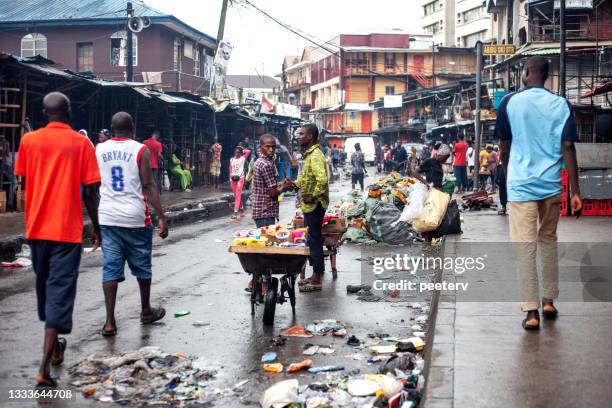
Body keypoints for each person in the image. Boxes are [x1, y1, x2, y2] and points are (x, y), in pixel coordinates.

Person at [14, 92, 101, 387]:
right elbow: (90, 191)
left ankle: (52, 353)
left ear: (44, 112)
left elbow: (25, 179)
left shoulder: (29, 141)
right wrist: (97, 226)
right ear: (69, 111)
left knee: (48, 292)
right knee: (58, 294)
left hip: (36, 229)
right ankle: (44, 366)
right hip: (65, 231)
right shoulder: (81, 144)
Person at [496, 56, 582, 330]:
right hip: (552, 186)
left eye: (523, 70)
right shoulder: (561, 104)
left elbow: (505, 146)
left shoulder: (510, 103)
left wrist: (509, 178)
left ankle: (531, 312)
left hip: (521, 186)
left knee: (525, 246)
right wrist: (576, 192)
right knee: (548, 241)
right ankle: (548, 301)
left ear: (528, 72)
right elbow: (568, 147)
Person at [96, 112, 169, 337]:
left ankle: (110, 322)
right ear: (133, 128)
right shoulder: (140, 150)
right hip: (135, 217)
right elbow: (148, 185)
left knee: (110, 268)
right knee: (142, 266)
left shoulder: (99, 149)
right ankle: (145, 311)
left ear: (111, 128)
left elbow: (92, 182)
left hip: (107, 217)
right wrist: (162, 216)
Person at [287, 124, 329, 293]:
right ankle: (315, 274)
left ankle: (317, 277)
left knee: (314, 240)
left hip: (315, 205)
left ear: (310, 136)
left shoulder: (316, 154)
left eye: (302, 134)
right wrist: (293, 185)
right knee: (312, 239)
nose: (299, 136)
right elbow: (305, 178)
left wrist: (313, 196)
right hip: (309, 204)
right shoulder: (309, 154)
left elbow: (322, 180)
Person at [252, 134, 284, 228]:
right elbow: (273, 193)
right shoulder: (265, 164)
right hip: (265, 211)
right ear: (261, 147)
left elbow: (268, 185)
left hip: (263, 211)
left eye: (273, 147)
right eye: (267, 147)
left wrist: (282, 184)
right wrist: (284, 187)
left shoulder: (265, 161)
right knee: (267, 240)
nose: (271, 149)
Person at [143, 130, 163, 194]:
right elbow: (159, 155)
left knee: (146, 179)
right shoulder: (158, 144)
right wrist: (162, 158)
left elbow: (142, 152)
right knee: (154, 180)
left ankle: (146, 192)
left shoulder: (144, 142)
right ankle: (154, 193)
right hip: (154, 165)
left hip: (146, 164)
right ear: (157, 135)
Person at [229, 146, 246, 219]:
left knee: (238, 196)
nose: (236, 153)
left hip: (240, 179)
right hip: (233, 179)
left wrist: (241, 149)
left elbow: (248, 151)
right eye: (235, 152)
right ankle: (242, 210)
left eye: (238, 152)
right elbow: (230, 169)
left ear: (241, 153)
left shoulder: (242, 158)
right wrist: (230, 179)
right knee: (236, 196)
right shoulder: (231, 159)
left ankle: (235, 213)